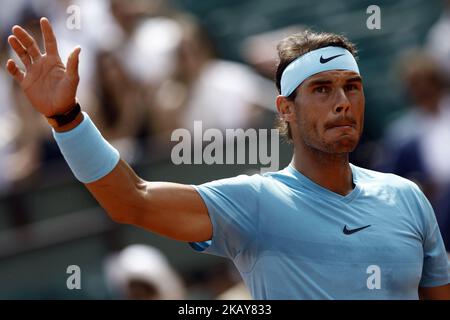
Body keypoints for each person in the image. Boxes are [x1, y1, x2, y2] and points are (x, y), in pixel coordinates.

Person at [5, 18, 449, 299]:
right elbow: (130, 199)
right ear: (286, 110)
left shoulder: (406, 197)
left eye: (351, 87)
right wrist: (66, 117)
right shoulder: (254, 200)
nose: (342, 102)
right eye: (322, 89)